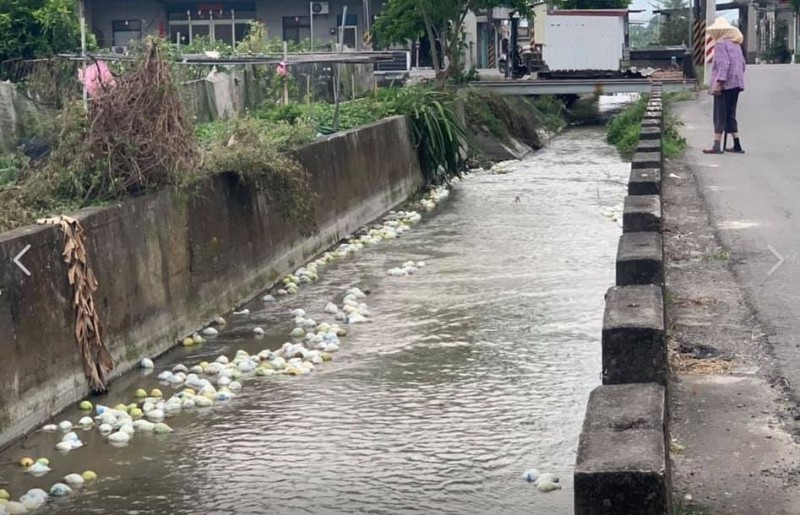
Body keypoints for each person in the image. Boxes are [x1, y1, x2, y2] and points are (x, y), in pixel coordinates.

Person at [703, 17, 747, 155]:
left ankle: (717, 145)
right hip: (737, 84)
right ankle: (737, 144)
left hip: (725, 85)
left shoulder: (721, 44)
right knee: (730, 114)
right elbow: (743, 65)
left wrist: (719, 83)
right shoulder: (735, 45)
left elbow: (724, 64)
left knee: (719, 114)